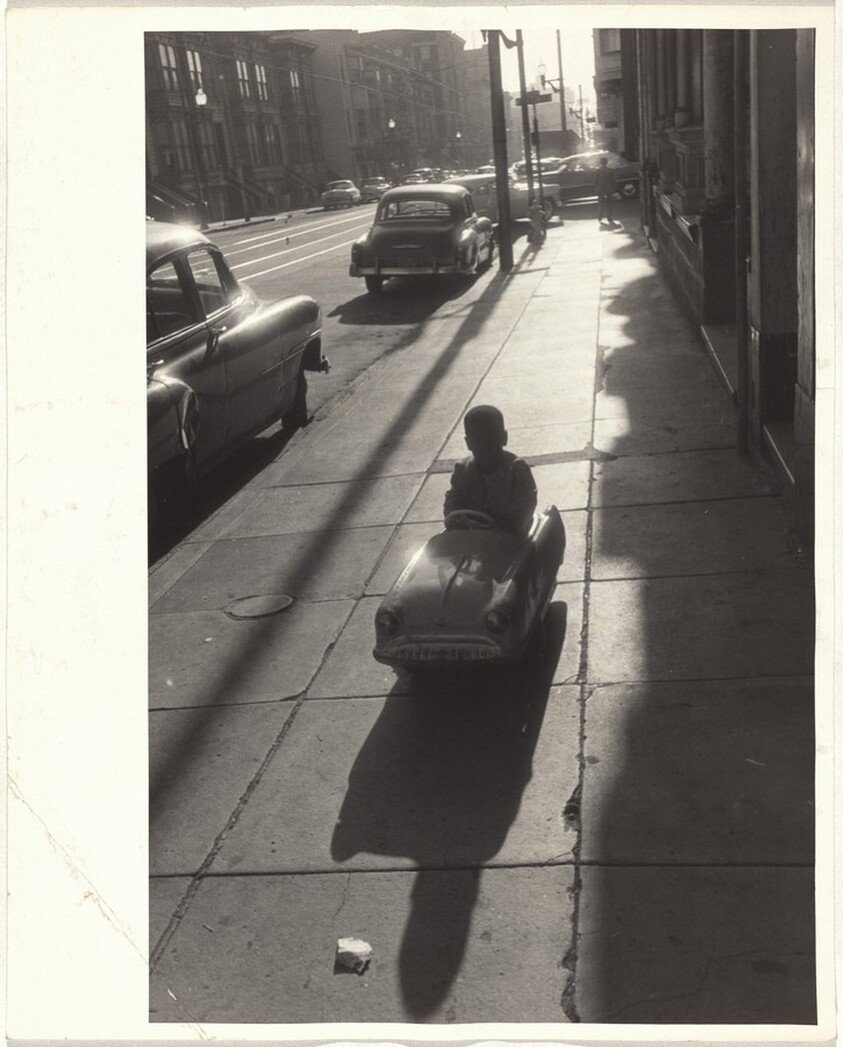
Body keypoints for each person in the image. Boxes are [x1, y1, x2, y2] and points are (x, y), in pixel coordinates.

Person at [443, 405, 538, 536]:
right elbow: (453, 502)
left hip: (509, 537)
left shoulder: (517, 469)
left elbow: (524, 506)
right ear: (469, 443)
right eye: (478, 441)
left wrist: (500, 526)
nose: (485, 448)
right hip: (472, 536)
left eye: (491, 440)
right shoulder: (463, 470)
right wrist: (459, 519)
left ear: (504, 438)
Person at [594, 155, 616, 223]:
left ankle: (600, 216)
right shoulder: (610, 170)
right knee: (609, 203)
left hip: (600, 188)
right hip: (609, 188)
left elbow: (595, 181)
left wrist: (596, 187)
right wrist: (614, 188)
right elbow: (613, 180)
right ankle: (609, 217)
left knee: (601, 203)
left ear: (601, 163)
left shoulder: (598, 171)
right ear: (606, 162)